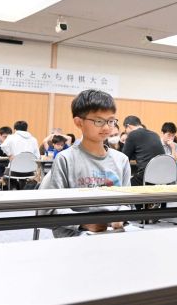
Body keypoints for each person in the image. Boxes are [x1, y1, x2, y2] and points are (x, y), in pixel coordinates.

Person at [40, 89, 131, 238]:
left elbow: (127, 204)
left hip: (113, 233)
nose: (107, 127)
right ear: (79, 122)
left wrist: (120, 217)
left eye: (111, 121)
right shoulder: (66, 159)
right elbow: (52, 209)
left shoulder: (121, 160)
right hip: (77, 233)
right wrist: (85, 223)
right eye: (98, 121)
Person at [122, 115, 164, 186]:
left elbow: (123, 158)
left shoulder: (132, 134)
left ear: (128, 126)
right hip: (162, 176)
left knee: (123, 184)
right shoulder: (155, 134)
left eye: (125, 129)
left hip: (146, 176)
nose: (126, 132)